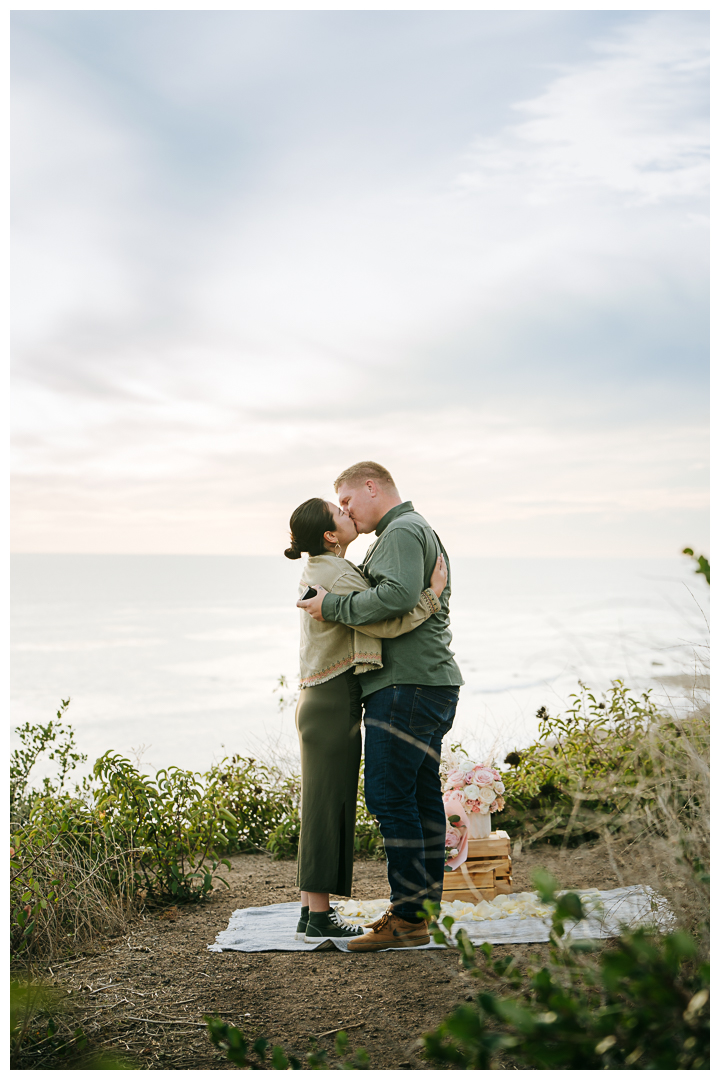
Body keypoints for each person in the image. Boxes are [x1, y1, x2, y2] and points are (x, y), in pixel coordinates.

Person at [297, 462, 463, 952]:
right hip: (418, 684)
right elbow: (392, 594)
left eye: (347, 500)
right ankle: (419, 914)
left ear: (372, 487)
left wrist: (332, 607)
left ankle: (409, 917)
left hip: (406, 685)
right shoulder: (403, 532)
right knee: (416, 798)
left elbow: (391, 599)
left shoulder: (402, 530)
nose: (346, 510)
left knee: (390, 796)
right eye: (339, 507)